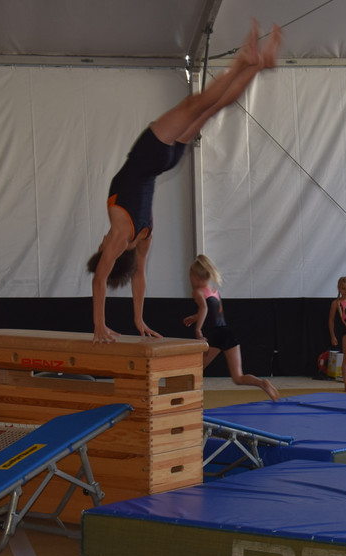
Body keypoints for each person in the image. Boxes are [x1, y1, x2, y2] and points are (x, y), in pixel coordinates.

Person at [90, 21, 281, 343]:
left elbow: (139, 278)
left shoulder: (142, 236)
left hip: (166, 161)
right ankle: (244, 62)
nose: (101, 242)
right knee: (198, 103)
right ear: (108, 252)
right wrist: (99, 324)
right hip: (150, 154)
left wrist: (138, 320)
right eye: (101, 247)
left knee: (212, 108)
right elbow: (99, 280)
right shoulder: (118, 234)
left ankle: (257, 67)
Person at [182, 254, 279, 401]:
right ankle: (262, 383)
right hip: (227, 333)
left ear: (195, 277)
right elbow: (212, 311)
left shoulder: (198, 292)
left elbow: (204, 309)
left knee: (196, 369)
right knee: (238, 377)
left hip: (215, 335)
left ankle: (186, 397)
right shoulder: (214, 291)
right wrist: (195, 317)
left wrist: (198, 329)